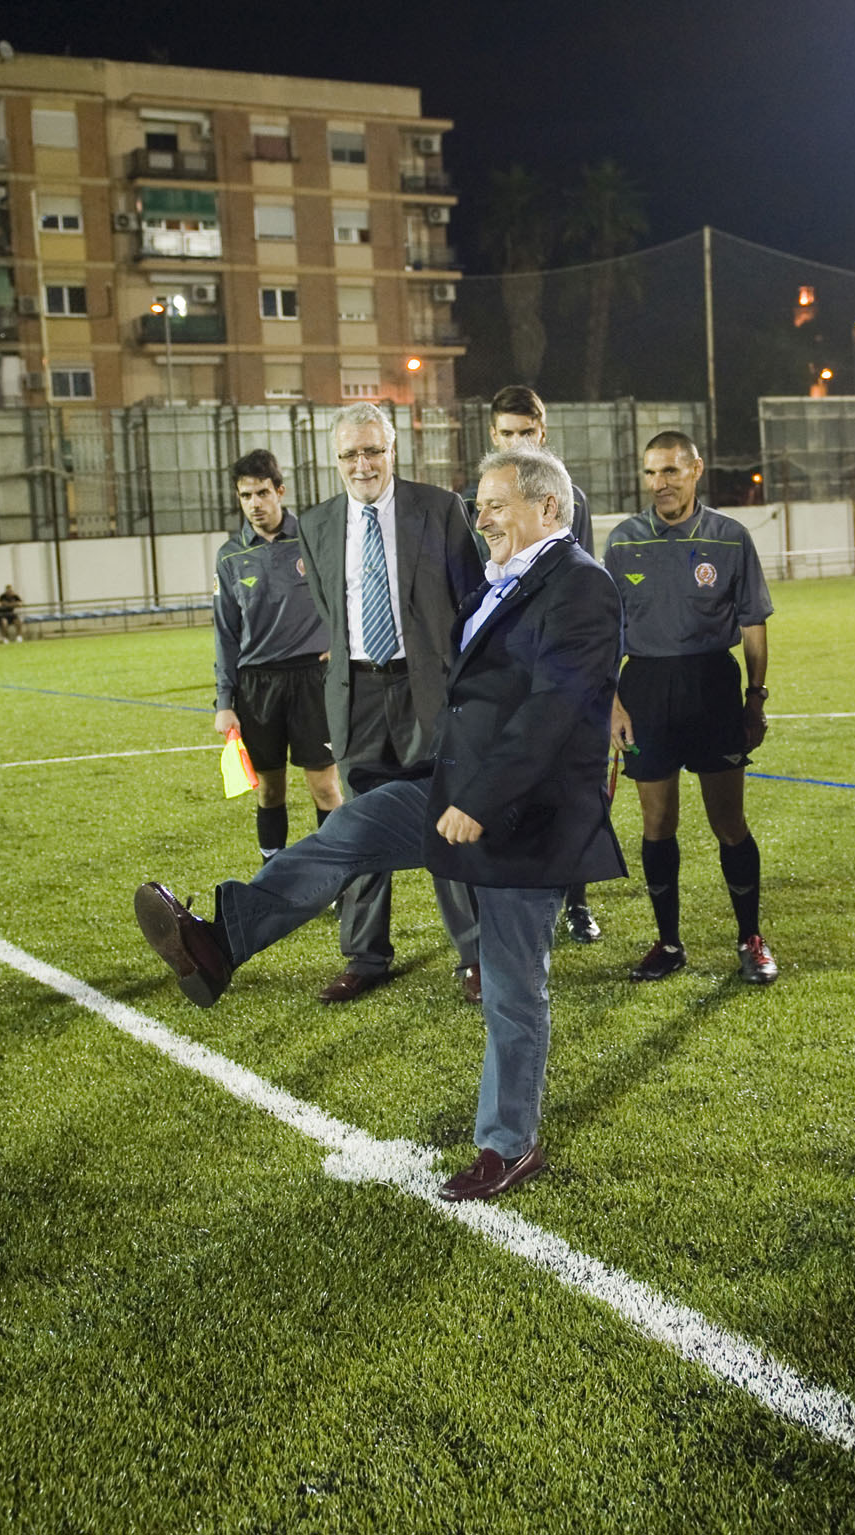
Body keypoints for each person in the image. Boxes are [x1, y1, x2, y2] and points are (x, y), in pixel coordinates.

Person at [136, 444, 624, 1200]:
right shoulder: (508, 579)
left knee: (513, 988)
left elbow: (552, 711)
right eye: (481, 502)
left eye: (497, 503)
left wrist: (482, 799)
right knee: (352, 827)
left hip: (525, 819)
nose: (482, 515)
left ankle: (508, 1144)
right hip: (453, 790)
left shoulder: (581, 586)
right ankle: (221, 939)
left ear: (548, 509)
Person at [292, 402, 487, 1004]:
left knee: (446, 820)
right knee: (358, 827)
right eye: (350, 453)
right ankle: (365, 956)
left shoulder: (441, 509)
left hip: (429, 690)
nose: (362, 464)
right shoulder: (316, 523)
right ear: (336, 459)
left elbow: (474, 602)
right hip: (357, 695)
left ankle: (477, 956)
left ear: (393, 449)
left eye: (372, 450)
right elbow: (331, 612)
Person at [602, 431, 779, 984]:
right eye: (652, 473)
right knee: (658, 822)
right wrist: (612, 704)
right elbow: (605, 633)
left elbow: (753, 624)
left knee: (728, 821)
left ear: (696, 469)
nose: (661, 484)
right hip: (646, 690)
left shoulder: (730, 538)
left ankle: (751, 938)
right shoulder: (623, 541)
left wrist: (755, 698)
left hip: (712, 685)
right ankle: (669, 943)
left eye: (671, 472)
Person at [475, 384, 602, 944]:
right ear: (493, 436)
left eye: (526, 432)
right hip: (506, 669)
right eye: (507, 433)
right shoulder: (475, 502)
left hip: (559, 666)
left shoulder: (572, 498)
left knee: (568, 788)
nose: (518, 442)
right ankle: (502, 905)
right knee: (506, 783)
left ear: (542, 433)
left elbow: (584, 580)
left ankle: (575, 901)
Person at [214, 448, 346, 861]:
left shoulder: (313, 538)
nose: (255, 504)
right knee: (270, 791)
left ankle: (337, 882)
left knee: (325, 787)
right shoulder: (230, 556)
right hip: (257, 686)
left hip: (312, 678)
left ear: (280, 491)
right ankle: (275, 879)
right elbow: (225, 633)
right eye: (245, 496)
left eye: (262, 493)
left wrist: (340, 647)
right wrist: (224, 702)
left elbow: (346, 597)